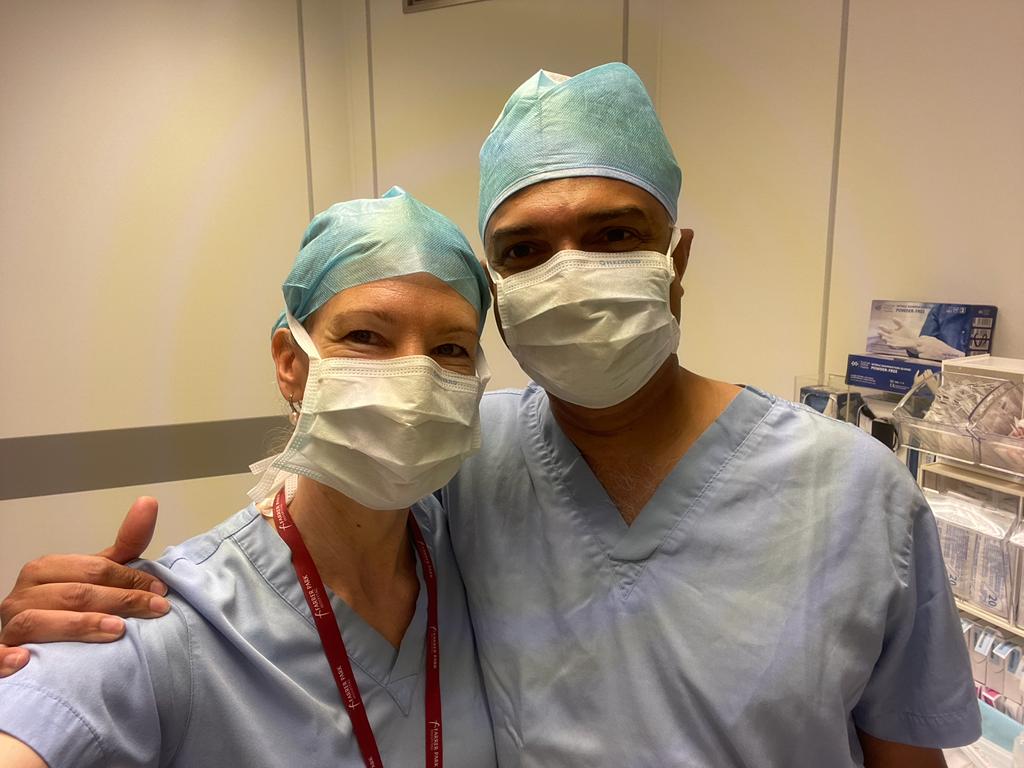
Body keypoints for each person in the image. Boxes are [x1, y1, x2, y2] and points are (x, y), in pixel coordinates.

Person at [1, 64, 979, 767]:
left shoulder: (858, 496)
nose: (569, 273)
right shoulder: (460, 466)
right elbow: (293, 563)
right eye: (521, 251)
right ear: (502, 290)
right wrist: (54, 622)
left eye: (611, 235)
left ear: (674, 260)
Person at [0, 187, 497, 767]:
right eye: (365, 336)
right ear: (290, 362)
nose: (415, 378)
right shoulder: (174, 620)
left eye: (450, 347)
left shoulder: (472, 555)